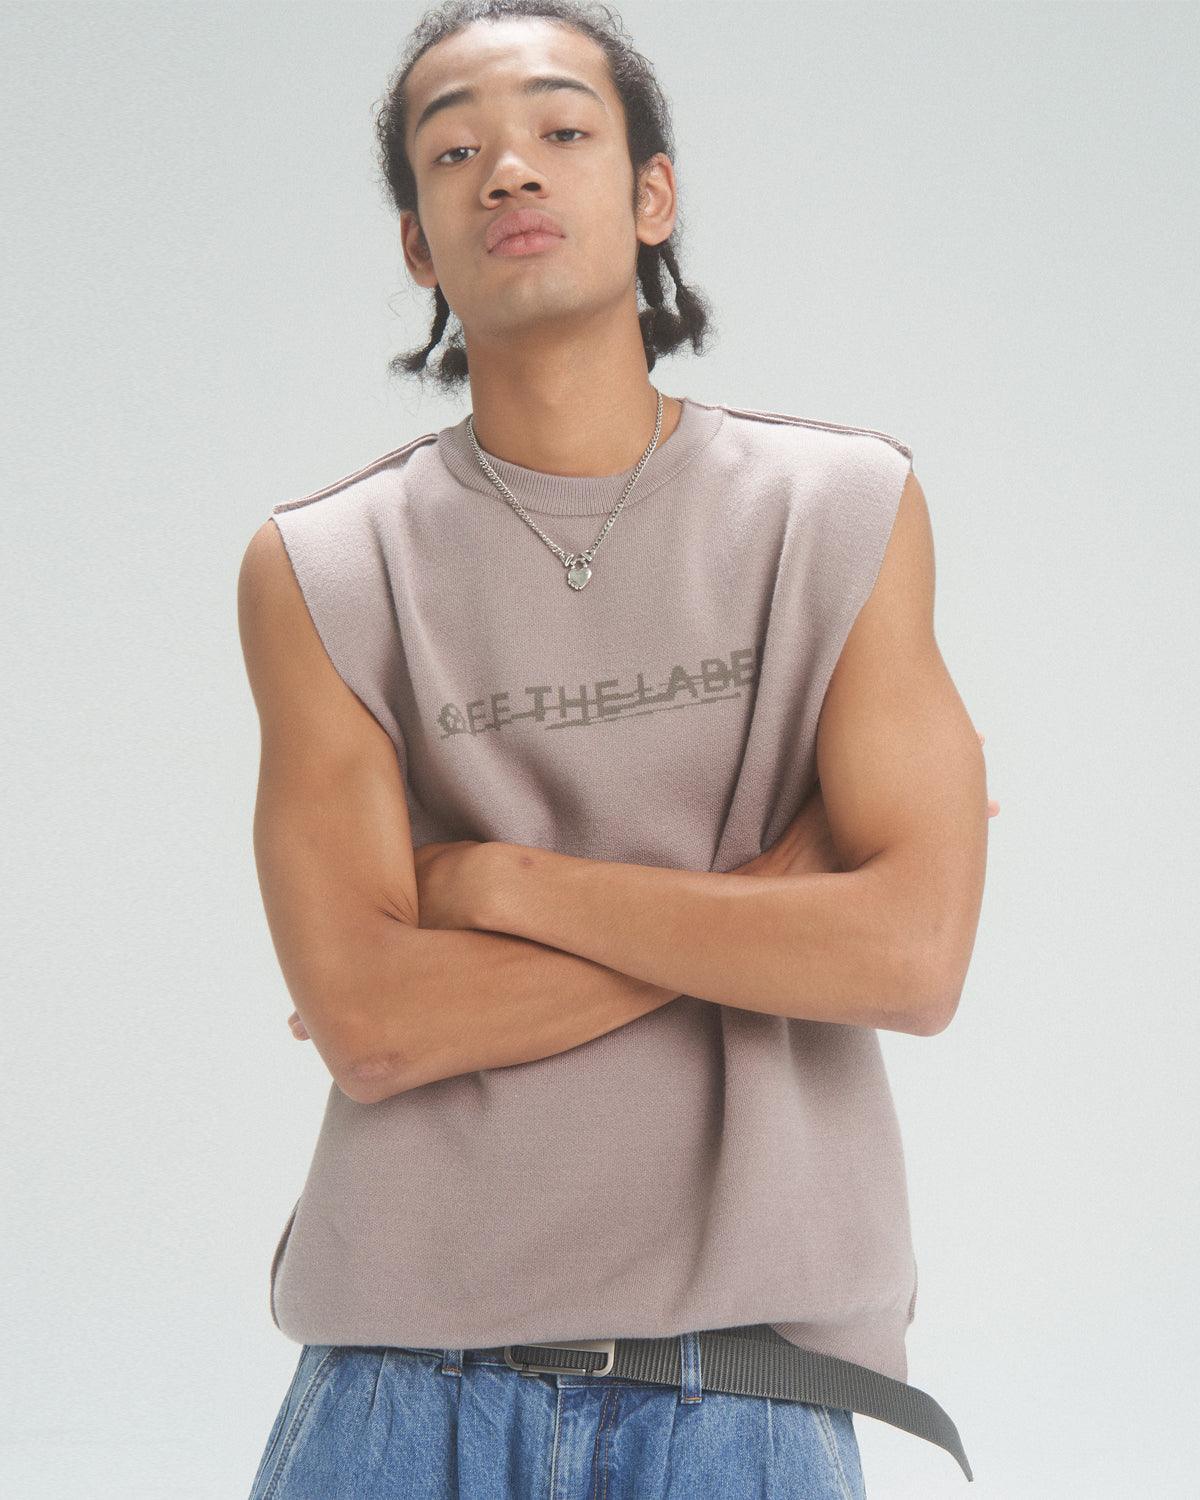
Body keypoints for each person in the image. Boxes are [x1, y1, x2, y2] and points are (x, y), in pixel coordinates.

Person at [237, 4, 996, 1496]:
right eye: (455, 151)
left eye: (561, 130)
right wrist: (775, 907)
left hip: (747, 1391)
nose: (510, 170)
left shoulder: (838, 513)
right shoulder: (324, 568)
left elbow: (912, 958)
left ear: (653, 195)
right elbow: (372, 1021)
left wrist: (499, 883)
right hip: (399, 1388)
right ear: (418, 245)